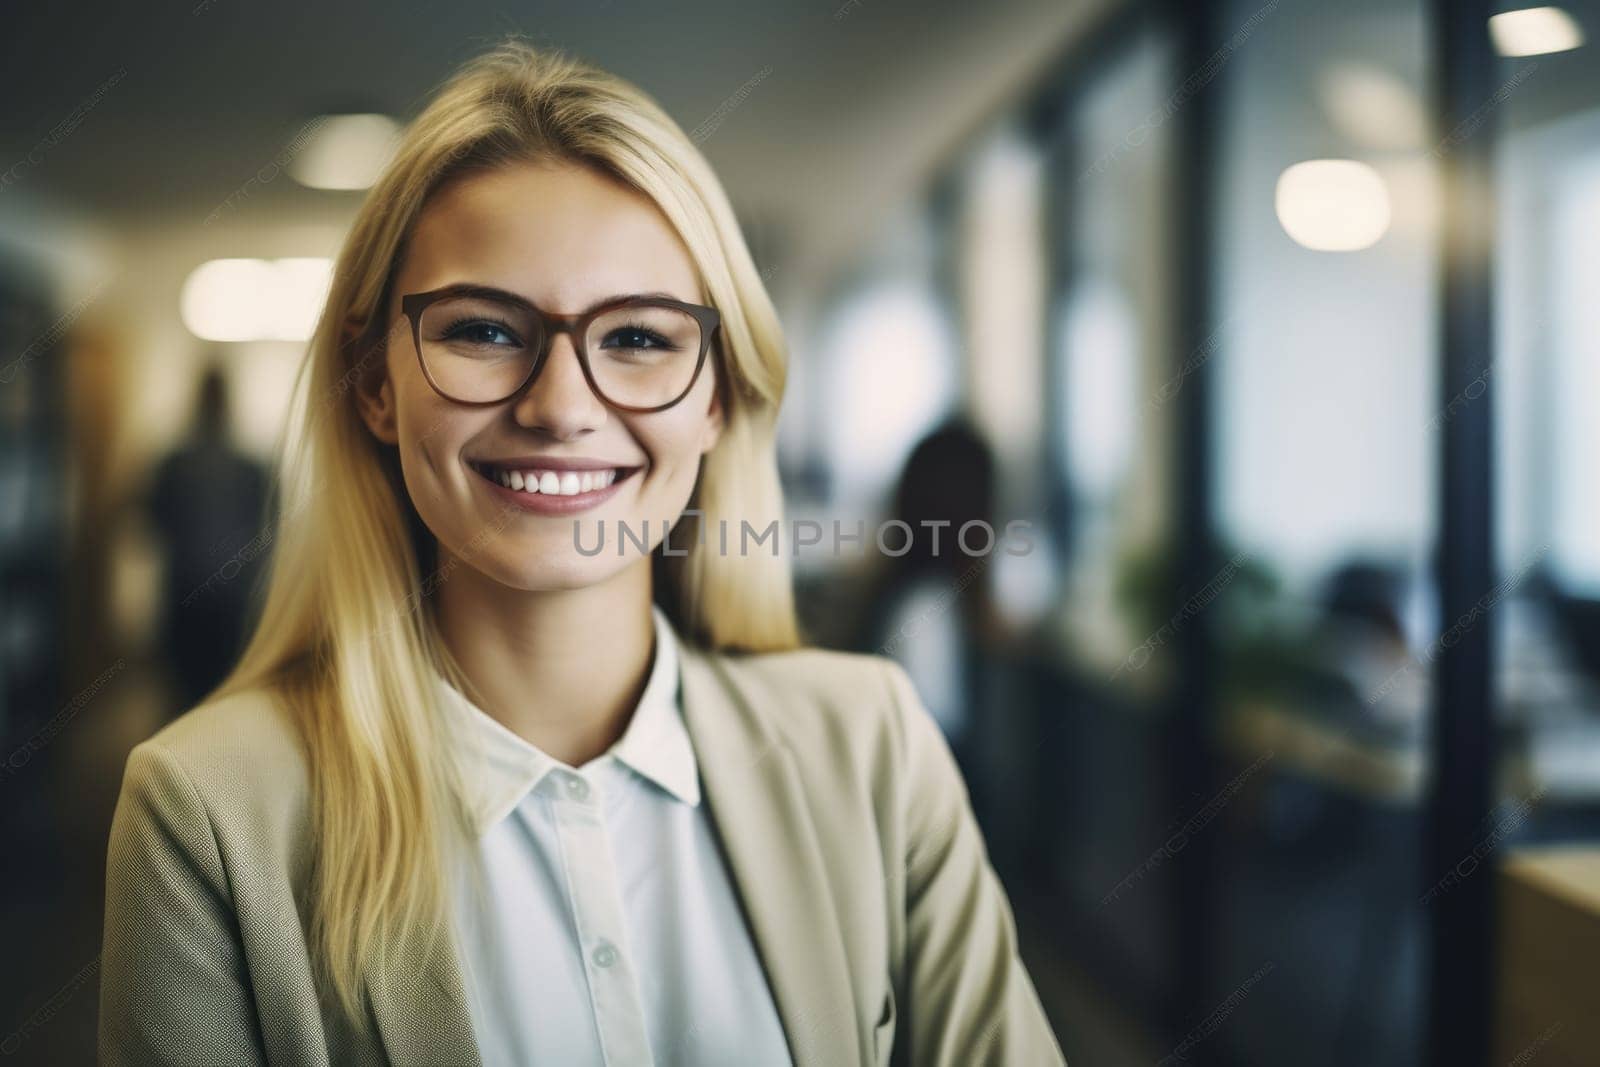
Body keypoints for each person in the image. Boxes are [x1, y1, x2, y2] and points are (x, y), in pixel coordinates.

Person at [98, 39, 1065, 1067]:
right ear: (375, 387)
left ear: (717, 397)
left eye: (640, 338)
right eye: (481, 328)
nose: (559, 405)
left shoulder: (872, 748)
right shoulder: (206, 814)